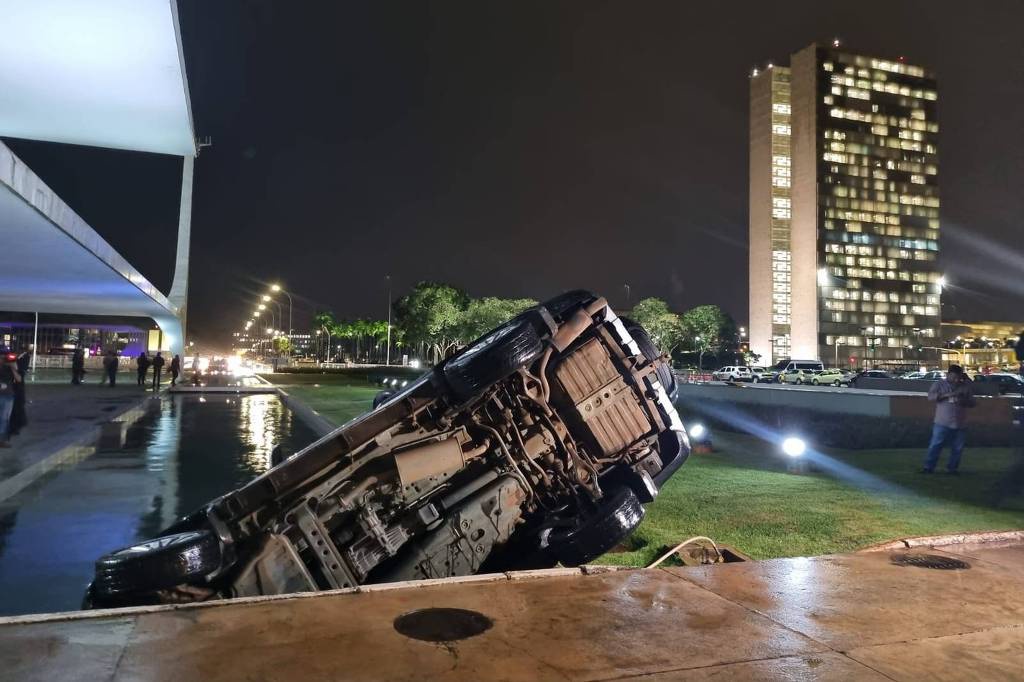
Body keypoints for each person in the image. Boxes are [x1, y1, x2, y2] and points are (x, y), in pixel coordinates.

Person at [921, 364, 975, 474]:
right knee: (936, 445)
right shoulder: (939, 384)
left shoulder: (964, 386)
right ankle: (928, 467)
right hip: (942, 422)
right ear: (948, 374)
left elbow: (972, 402)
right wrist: (949, 394)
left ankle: (952, 469)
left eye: (958, 377)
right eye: (954, 377)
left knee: (957, 448)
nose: (956, 380)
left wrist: (963, 400)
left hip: (960, 422)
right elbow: (931, 397)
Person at [9, 345, 31, 437]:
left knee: (17, 406)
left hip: (17, 386)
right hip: (14, 386)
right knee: (16, 407)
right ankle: (16, 425)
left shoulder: (24, 357)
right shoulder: (21, 357)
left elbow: (21, 372)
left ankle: (16, 426)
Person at [0, 351, 20, 448]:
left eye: (4, 358)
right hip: (5, 395)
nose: (2, 359)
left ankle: (2, 440)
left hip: (8, 396)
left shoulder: (9, 367)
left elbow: (19, 379)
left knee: (5, 419)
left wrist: (13, 367)